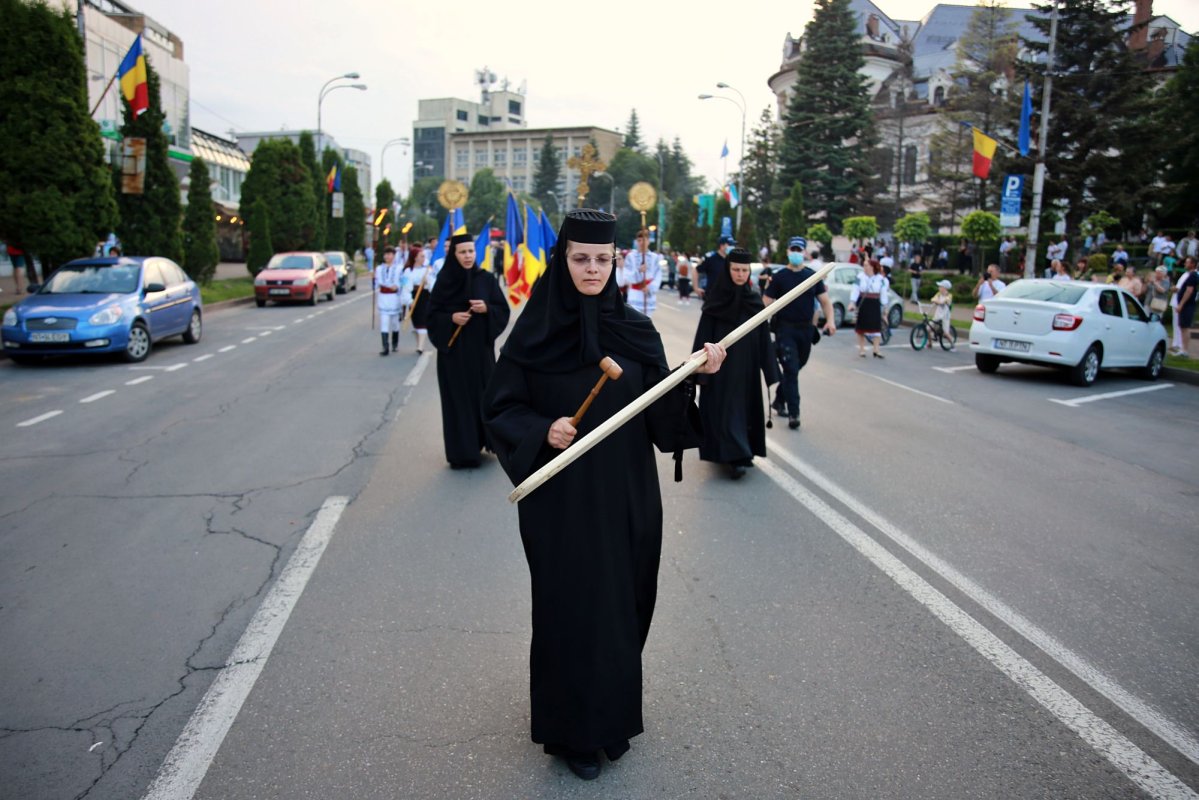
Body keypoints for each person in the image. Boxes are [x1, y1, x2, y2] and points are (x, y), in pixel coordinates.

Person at [482, 209, 725, 781]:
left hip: (626, 497)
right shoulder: (534, 331)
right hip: (561, 502)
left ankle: (610, 720)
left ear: (615, 261)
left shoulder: (635, 331)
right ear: (563, 260)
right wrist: (542, 429)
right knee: (573, 608)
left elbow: (665, 422)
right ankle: (573, 734)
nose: (592, 269)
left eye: (601, 259)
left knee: (621, 606)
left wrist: (700, 377)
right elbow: (499, 409)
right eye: (580, 258)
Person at [690, 248, 778, 478]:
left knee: (743, 410)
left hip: (746, 368)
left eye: (744, 270)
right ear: (728, 270)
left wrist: (769, 368)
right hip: (720, 369)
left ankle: (742, 453)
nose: (740, 274)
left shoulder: (754, 301)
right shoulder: (716, 301)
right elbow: (703, 336)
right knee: (725, 412)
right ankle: (732, 456)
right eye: (736, 269)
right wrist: (698, 369)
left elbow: (763, 336)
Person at [428, 234, 510, 468]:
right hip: (453, 356)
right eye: (462, 252)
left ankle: (484, 441)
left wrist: (486, 309)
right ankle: (463, 452)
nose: (467, 256)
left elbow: (502, 309)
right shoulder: (444, 281)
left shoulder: (485, 279)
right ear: (454, 254)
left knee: (483, 397)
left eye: (471, 252)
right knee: (458, 401)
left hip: (480, 353)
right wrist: (451, 318)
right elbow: (432, 315)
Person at [765, 237, 835, 429]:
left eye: (799, 249)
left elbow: (825, 302)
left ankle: (779, 400)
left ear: (804, 252)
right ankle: (794, 414)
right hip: (785, 329)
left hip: (806, 330)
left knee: (796, 367)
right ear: (788, 251)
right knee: (792, 371)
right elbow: (766, 301)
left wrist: (830, 321)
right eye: (793, 248)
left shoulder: (812, 276)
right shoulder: (779, 277)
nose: (796, 252)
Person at [849, 259, 889, 358]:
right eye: (864, 265)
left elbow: (884, 294)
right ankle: (862, 349)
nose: (865, 267)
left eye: (867, 265)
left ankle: (876, 349)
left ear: (872, 267)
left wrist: (885, 307)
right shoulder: (860, 277)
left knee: (876, 328)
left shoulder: (881, 279)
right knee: (861, 327)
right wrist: (852, 302)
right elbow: (855, 290)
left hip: (874, 303)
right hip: (864, 302)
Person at [401, 246, 435, 354]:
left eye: (424, 256)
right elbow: (405, 286)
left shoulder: (427, 270)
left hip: (425, 297)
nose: (424, 258)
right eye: (421, 256)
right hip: (413, 296)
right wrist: (409, 301)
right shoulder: (407, 271)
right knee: (416, 323)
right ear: (415, 258)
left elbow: (433, 285)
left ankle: (420, 347)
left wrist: (427, 282)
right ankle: (419, 343)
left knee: (423, 321)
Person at [623, 228, 662, 316]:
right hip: (635, 295)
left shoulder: (654, 257)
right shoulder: (630, 257)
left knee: (647, 322)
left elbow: (658, 275)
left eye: (644, 240)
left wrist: (651, 287)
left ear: (648, 241)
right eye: (639, 240)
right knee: (634, 320)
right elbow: (627, 275)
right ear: (636, 241)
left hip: (648, 295)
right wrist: (639, 271)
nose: (642, 242)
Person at [374, 246, 403, 355]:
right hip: (383, 297)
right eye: (386, 254)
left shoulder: (399, 268)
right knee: (384, 322)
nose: (387, 256)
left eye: (390, 254)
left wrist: (398, 286)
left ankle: (395, 343)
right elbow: (376, 283)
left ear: (394, 256)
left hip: (394, 298)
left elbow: (404, 281)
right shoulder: (379, 268)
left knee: (395, 323)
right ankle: (385, 347)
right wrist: (374, 280)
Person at [1174, 256, 1198, 358]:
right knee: (1182, 327)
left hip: (1187, 305)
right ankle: (1183, 349)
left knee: (1185, 327)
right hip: (1186, 304)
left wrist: (1181, 304)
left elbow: (1189, 291)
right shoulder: (1189, 275)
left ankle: (1185, 350)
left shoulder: (1193, 276)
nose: (1185, 264)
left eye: (1187, 262)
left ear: (1192, 264)